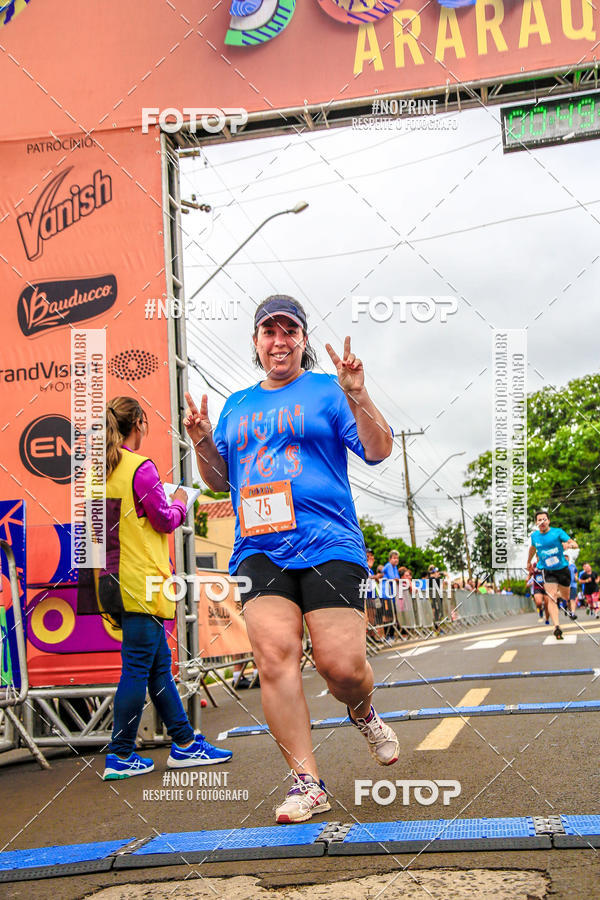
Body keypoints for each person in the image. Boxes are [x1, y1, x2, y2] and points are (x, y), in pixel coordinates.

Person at [184, 294, 399, 824]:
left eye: (289, 331)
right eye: (268, 331)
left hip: (328, 543)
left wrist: (359, 394)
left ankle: (363, 709)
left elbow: (379, 448)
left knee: (341, 668)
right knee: (274, 658)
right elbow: (219, 480)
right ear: (256, 343)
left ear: (303, 339)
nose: (278, 340)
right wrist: (203, 441)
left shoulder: (328, 390)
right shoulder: (235, 404)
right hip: (259, 547)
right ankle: (307, 783)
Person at [95, 397, 232, 780]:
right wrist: (182, 500)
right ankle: (120, 753)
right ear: (139, 422)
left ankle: (185, 743)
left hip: (110, 582)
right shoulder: (140, 468)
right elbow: (165, 520)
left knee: (156, 670)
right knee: (138, 669)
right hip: (143, 582)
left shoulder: (97, 471)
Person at [527, 510, 579, 641]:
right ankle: (557, 626)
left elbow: (574, 543)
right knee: (551, 597)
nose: (542, 522)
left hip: (562, 570)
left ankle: (565, 601)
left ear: (548, 521)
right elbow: (533, 549)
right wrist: (528, 561)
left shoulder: (558, 532)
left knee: (565, 596)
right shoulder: (535, 536)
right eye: (539, 520)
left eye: (544, 519)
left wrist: (569, 545)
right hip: (547, 571)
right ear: (536, 523)